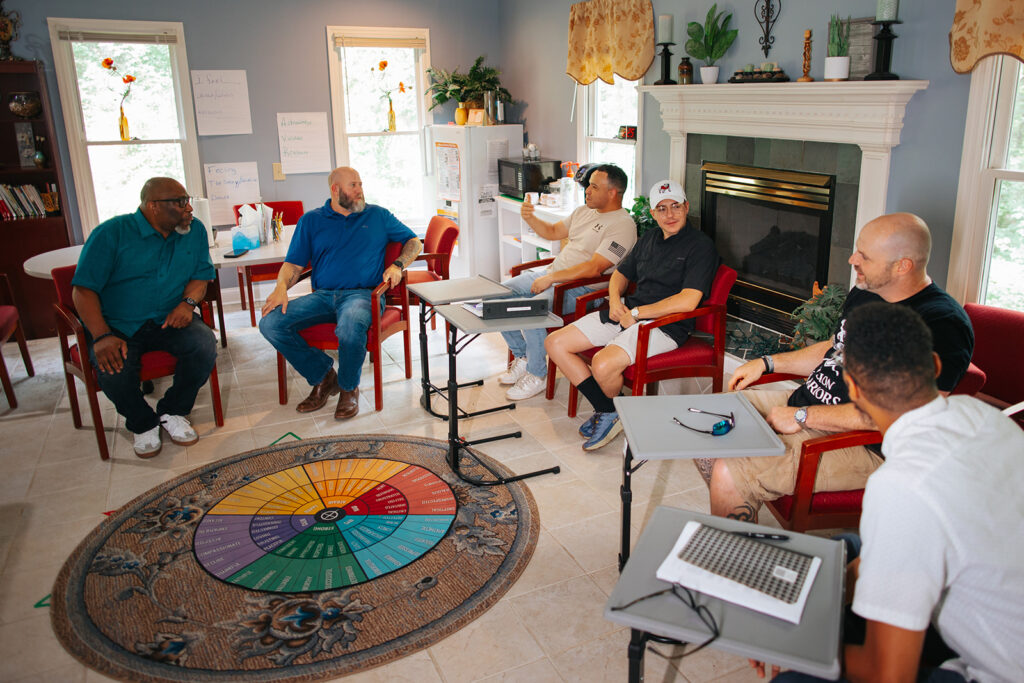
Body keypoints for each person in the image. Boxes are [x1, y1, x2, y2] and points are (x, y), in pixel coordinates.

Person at [763, 302, 1024, 683]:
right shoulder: (984, 418)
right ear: (935, 366)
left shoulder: (901, 487)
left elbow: (888, 674)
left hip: (999, 670)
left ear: (850, 388)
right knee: (846, 548)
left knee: (791, 680)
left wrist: (797, 647)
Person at [708, 213, 974, 521]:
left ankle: (728, 557)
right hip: (808, 408)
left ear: (903, 266)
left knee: (729, 470)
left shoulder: (941, 324)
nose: (852, 259)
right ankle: (739, 521)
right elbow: (836, 347)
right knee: (718, 418)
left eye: (865, 256)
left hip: (865, 445)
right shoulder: (867, 290)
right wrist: (766, 363)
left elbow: (900, 414)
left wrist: (802, 416)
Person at [545, 179, 719, 451]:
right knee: (555, 343)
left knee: (602, 364)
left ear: (687, 207)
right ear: (653, 213)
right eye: (661, 209)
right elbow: (620, 274)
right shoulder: (649, 237)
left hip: (665, 326)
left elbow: (688, 300)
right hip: (628, 313)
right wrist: (615, 301)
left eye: (675, 206)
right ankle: (607, 410)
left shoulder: (701, 246)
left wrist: (637, 313)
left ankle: (606, 411)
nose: (669, 214)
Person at [259, 167, 421, 420]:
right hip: (324, 296)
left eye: (360, 184)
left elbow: (414, 242)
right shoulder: (311, 221)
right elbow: (293, 264)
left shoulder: (378, 215)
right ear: (335, 190)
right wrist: (281, 288)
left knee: (350, 325)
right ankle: (323, 376)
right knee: (270, 323)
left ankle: (348, 388)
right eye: (353, 185)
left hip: (363, 295)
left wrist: (398, 265)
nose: (360, 190)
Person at [71, 177, 217, 458]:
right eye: (180, 202)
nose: (189, 209)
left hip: (169, 317)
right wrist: (101, 336)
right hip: (117, 324)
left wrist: (187, 304)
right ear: (153, 206)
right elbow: (83, 290)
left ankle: (173, 411)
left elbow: (201, 277)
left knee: (204, 344)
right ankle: (142, 422)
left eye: (188, 201)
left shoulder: (193, 231)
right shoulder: (111, 233)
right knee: (113, 371)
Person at [498, 164, 637, 400]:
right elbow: (552, 231)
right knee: (498, 295)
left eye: (594, 187)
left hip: (581, 289)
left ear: (613, 192)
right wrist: (531, 218)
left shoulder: (623, 225)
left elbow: (595, 268)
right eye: (588, 186)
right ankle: (523, 356)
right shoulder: (584, 211)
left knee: (533, 309)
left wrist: (550, 279)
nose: (587, 192)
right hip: (553, 275)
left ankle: (537, 374)